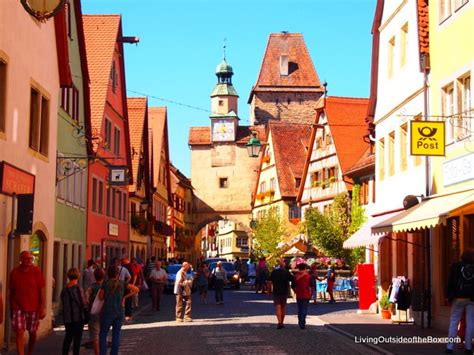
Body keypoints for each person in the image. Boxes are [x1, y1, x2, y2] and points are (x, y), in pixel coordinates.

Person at [9, 251, 46, 355]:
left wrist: (42, 307)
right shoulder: (14, 272)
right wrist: (11, 307)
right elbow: (11, 291)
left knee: (32, 332)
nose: (30, 261)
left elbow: (41, 290)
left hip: (33, 306)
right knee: (19, 332)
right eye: (27, 259)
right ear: (21, 260)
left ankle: (29, 352)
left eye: (31, 259)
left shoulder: (36, 271)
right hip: (18, 306)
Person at [98, 265, 139, 355]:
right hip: (119, 311)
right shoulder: (122, 283)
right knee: (116, 335)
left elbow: (100, 297)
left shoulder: (105, 283)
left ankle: (102, 353)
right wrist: (125, 297)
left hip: (107, 311)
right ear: (117, 274)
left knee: (103, 334)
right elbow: (136, 289)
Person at [445, 248, 474, 354]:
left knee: (454, 321)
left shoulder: (456, 266)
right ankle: (468, 348)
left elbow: (450, 281)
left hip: (458, 297)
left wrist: (448, 296)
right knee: (471, 322)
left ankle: (450, 347)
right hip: (472, 298)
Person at [60, 268, 87, 355]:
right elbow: (82, 303)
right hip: (78, 317)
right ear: (78, 276)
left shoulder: (64, 290)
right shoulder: (78, 289)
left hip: (68, 318)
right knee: (77, 340)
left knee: (68, 337)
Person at [85, 267, 106, 355]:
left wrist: (88, 302)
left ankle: (98, 353)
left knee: (95, 336)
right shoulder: (105, 286)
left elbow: (86, 297)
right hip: (104, 312)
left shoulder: (92, 287)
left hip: (93, 312)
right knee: (103, 334)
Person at [270, 258, 293, 329]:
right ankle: (282, 322)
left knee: (278, 307)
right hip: (284, 292)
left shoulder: (274, 272)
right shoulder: (286, 272)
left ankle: (279, 322)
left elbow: (269, 281)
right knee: (283, 307)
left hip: (276, 291)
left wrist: (268, 291)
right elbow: (292, 279)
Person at [293, 263, 314, 329]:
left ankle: (300, 322)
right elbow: (312, 286)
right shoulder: (308, 276)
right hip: (306, 294)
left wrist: (295, 291)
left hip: (299, 294)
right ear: (305, 268)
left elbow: (293, 286)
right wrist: (311, 294)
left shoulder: (296, 276)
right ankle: (302, 323)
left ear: (299, 268)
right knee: (304, 309)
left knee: (299, 309)